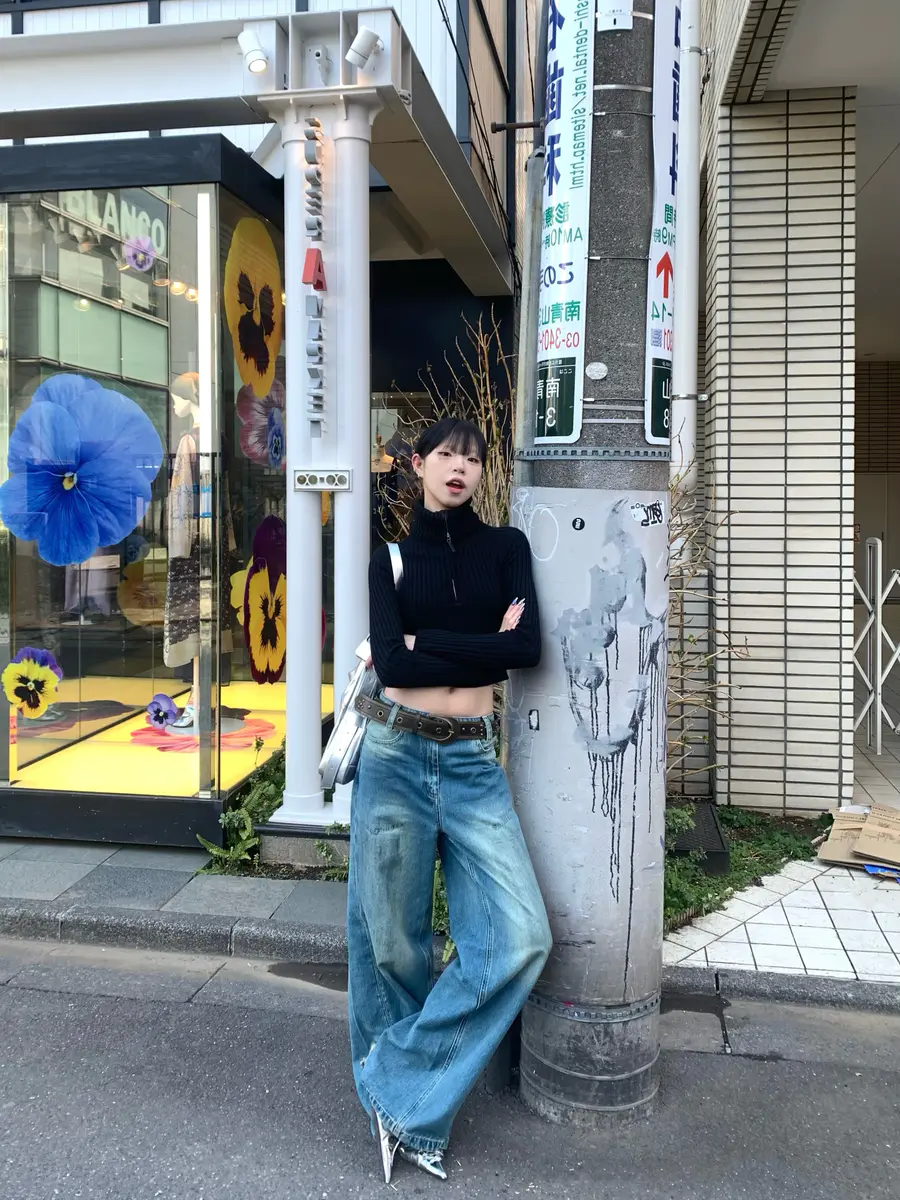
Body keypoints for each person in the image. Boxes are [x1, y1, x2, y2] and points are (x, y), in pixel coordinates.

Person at [348, 417, 553, 1183]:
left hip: (471, 762)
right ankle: (411, 1117)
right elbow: (394, 668)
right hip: (395, 753)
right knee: (391, 942)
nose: (459, 467)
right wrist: (478, 648)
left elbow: (525, 650)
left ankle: (393, 1084)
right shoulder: (391, 560)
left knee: (520, 935)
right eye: (445, 455)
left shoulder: (507, 549)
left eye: (472, 457)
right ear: (419, 464)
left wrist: (428, 642)